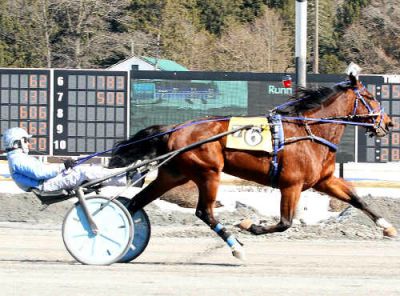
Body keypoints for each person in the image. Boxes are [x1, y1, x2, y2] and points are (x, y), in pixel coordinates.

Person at [2, 127, 143, 193]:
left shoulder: (18, 159)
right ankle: (128, 177)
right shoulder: (18, 160)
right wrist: (63, 166)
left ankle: (125, 174)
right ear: (16, 143)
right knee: (82, 171)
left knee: (87, 166)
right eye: (26, 140)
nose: (29, 143)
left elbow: (42, 171)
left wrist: (64, 166)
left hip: (47, 182)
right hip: (46, 185)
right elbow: (41, 173)